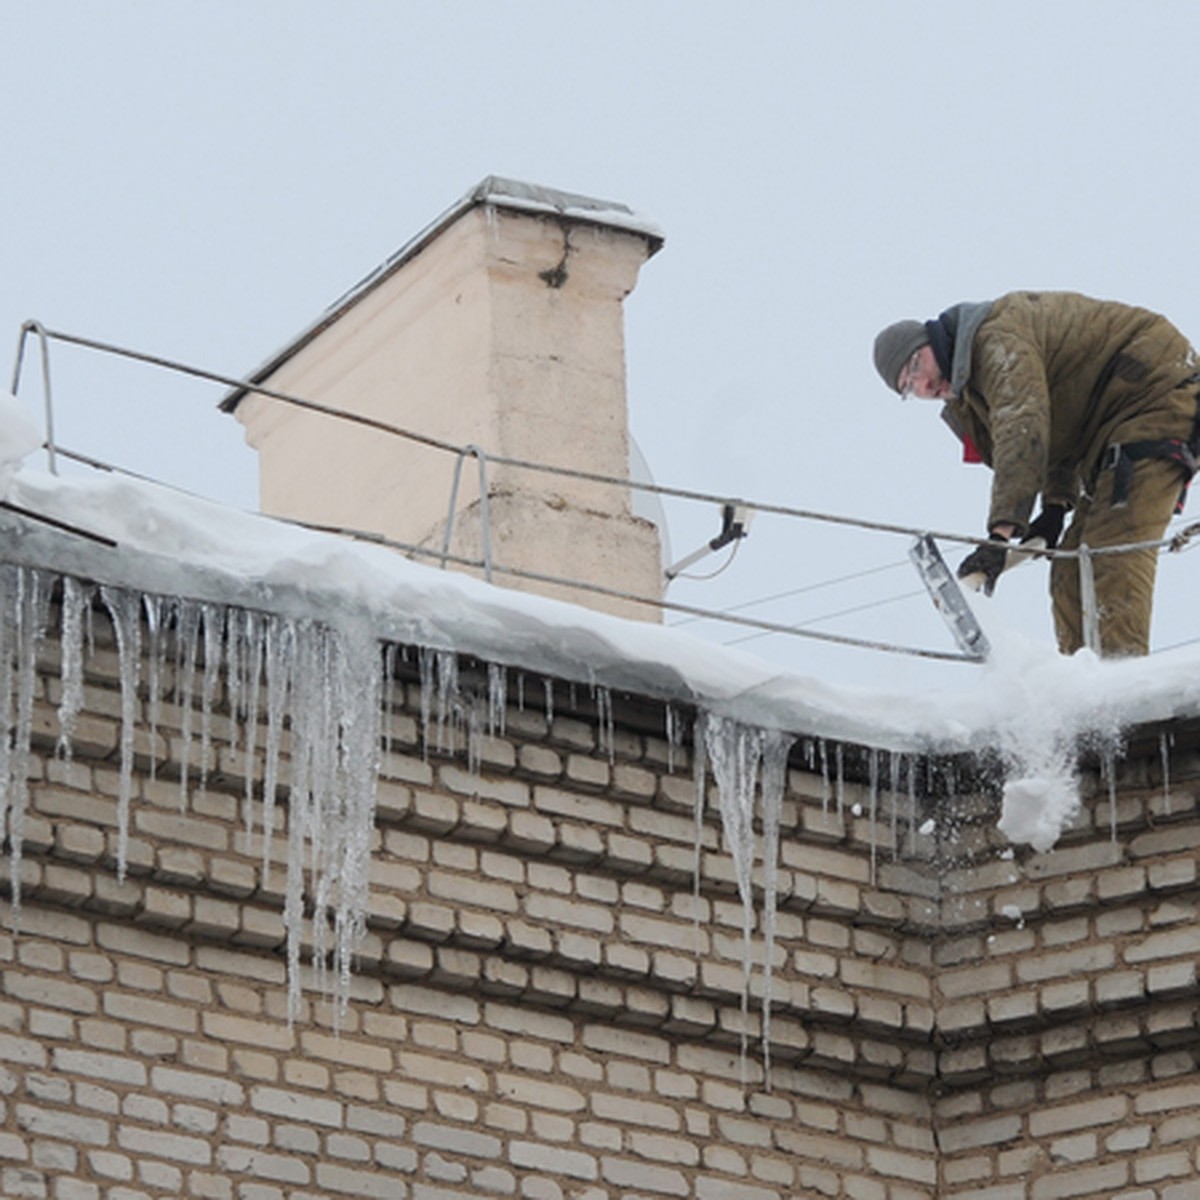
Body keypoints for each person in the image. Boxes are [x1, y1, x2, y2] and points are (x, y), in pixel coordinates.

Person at [873, 291, 1200, 657]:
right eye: (907, 387)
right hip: (1107, 430)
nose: (921, 386)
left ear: (933, 340)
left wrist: (1000, 534)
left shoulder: (995, 340)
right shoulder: (970, 393)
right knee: (1071, 567)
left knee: (1110, 549)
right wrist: (1055, 507)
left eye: (916, 366)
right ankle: (1086, 685)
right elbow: (1058, 434)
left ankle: (1123, 677)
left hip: (1153, 396)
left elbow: (1023, 428)